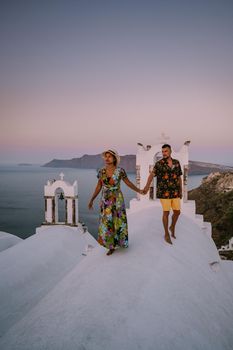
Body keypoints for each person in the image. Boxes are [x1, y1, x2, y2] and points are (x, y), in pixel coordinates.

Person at [88, 149, 144, 255]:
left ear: (114, 158)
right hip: (105, 200)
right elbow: (99, 186)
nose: (107, 158)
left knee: (118, 220)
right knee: (107, 222)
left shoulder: (120, 171)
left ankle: (120, 242)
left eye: (109, 156)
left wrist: (139, 191)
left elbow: (128, 183)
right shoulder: (101, 171)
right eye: (106, 156)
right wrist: (92, 199)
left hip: (117, 199)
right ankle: (111, 245)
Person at [143, 144, 182, 244]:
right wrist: (147, 187)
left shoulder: (176, 163)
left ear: (170, 151)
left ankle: (172, 226)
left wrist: (181, 190)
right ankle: (166, 234)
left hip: (175, 192)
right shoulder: (159, 164)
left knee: (177, 212)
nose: (164, 153)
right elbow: (151, 175)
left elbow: (179, 177)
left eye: (166, 151)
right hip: (164, 192)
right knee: (166, 212)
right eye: (163, 151)